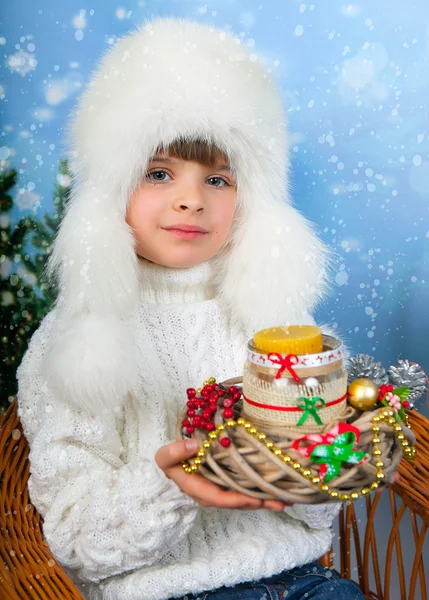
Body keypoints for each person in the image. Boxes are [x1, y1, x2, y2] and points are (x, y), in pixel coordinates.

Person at [17, 17, 365, 600]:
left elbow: (314, 511)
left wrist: (345, 466)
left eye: (219, 179)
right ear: (111, 191)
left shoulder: (283, 331)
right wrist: (174, 484)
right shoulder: (77, 339)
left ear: (251, 200)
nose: (190, 199)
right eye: (158, 173)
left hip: (306, 582)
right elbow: (78, 538)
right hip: (162, 590)